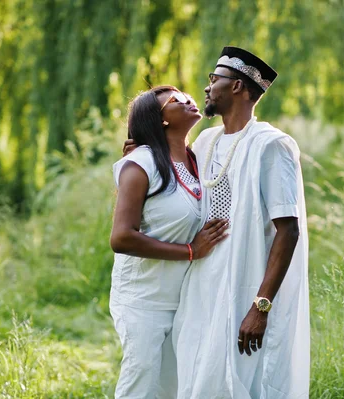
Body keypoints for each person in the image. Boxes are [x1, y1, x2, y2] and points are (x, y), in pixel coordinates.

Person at [171, 47, 310, 398]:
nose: (207, 87)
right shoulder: (205, 141)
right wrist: (137, 154)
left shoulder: (271, 145)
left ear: (237, 88)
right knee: (200, 371)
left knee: (246, 377)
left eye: (213, 79)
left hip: (247, 285)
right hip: (204, 281)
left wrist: (260, 306)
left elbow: (287, 229)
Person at [109, 85, 229, 399]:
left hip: (185, 298)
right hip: (143, 298)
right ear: (160, 120)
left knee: (172, 388)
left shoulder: (199, 159)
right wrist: (191, 251)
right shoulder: (141, 164)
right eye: (177, 101)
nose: (190, 100)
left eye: (187, 95)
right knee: (141, 384)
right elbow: (121, 237)